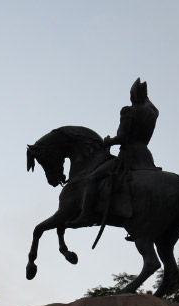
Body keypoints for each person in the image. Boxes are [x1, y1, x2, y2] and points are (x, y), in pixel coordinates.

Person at [68, 78, 160, 228]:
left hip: (129, 156)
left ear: (132, 96)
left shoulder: (128, 111)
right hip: (145, 156)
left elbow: (123, 137)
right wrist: (145, 95)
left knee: (91, 178)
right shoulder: (153, 113)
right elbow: (151, 105)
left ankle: (85, 216)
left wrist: (108, 141)